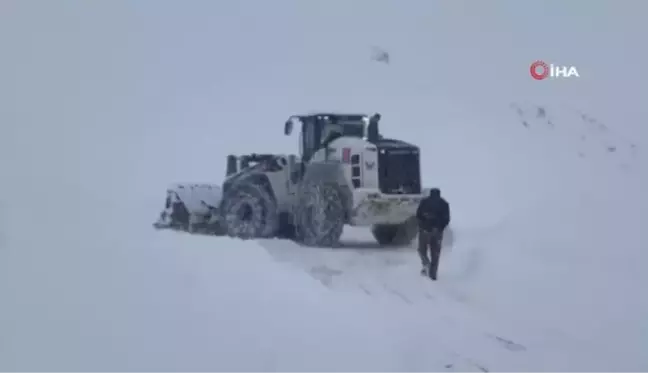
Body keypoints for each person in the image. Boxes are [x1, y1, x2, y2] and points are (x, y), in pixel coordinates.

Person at [416, 188, 450, 280]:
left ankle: (426, 263)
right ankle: (433, 274)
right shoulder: (444, 203)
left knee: (421, 250)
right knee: (435, 254)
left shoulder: (425, 202)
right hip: (437, 232)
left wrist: (422, 226)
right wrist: (439, 228)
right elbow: (446, 219)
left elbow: (418, 215)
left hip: (425, 231)